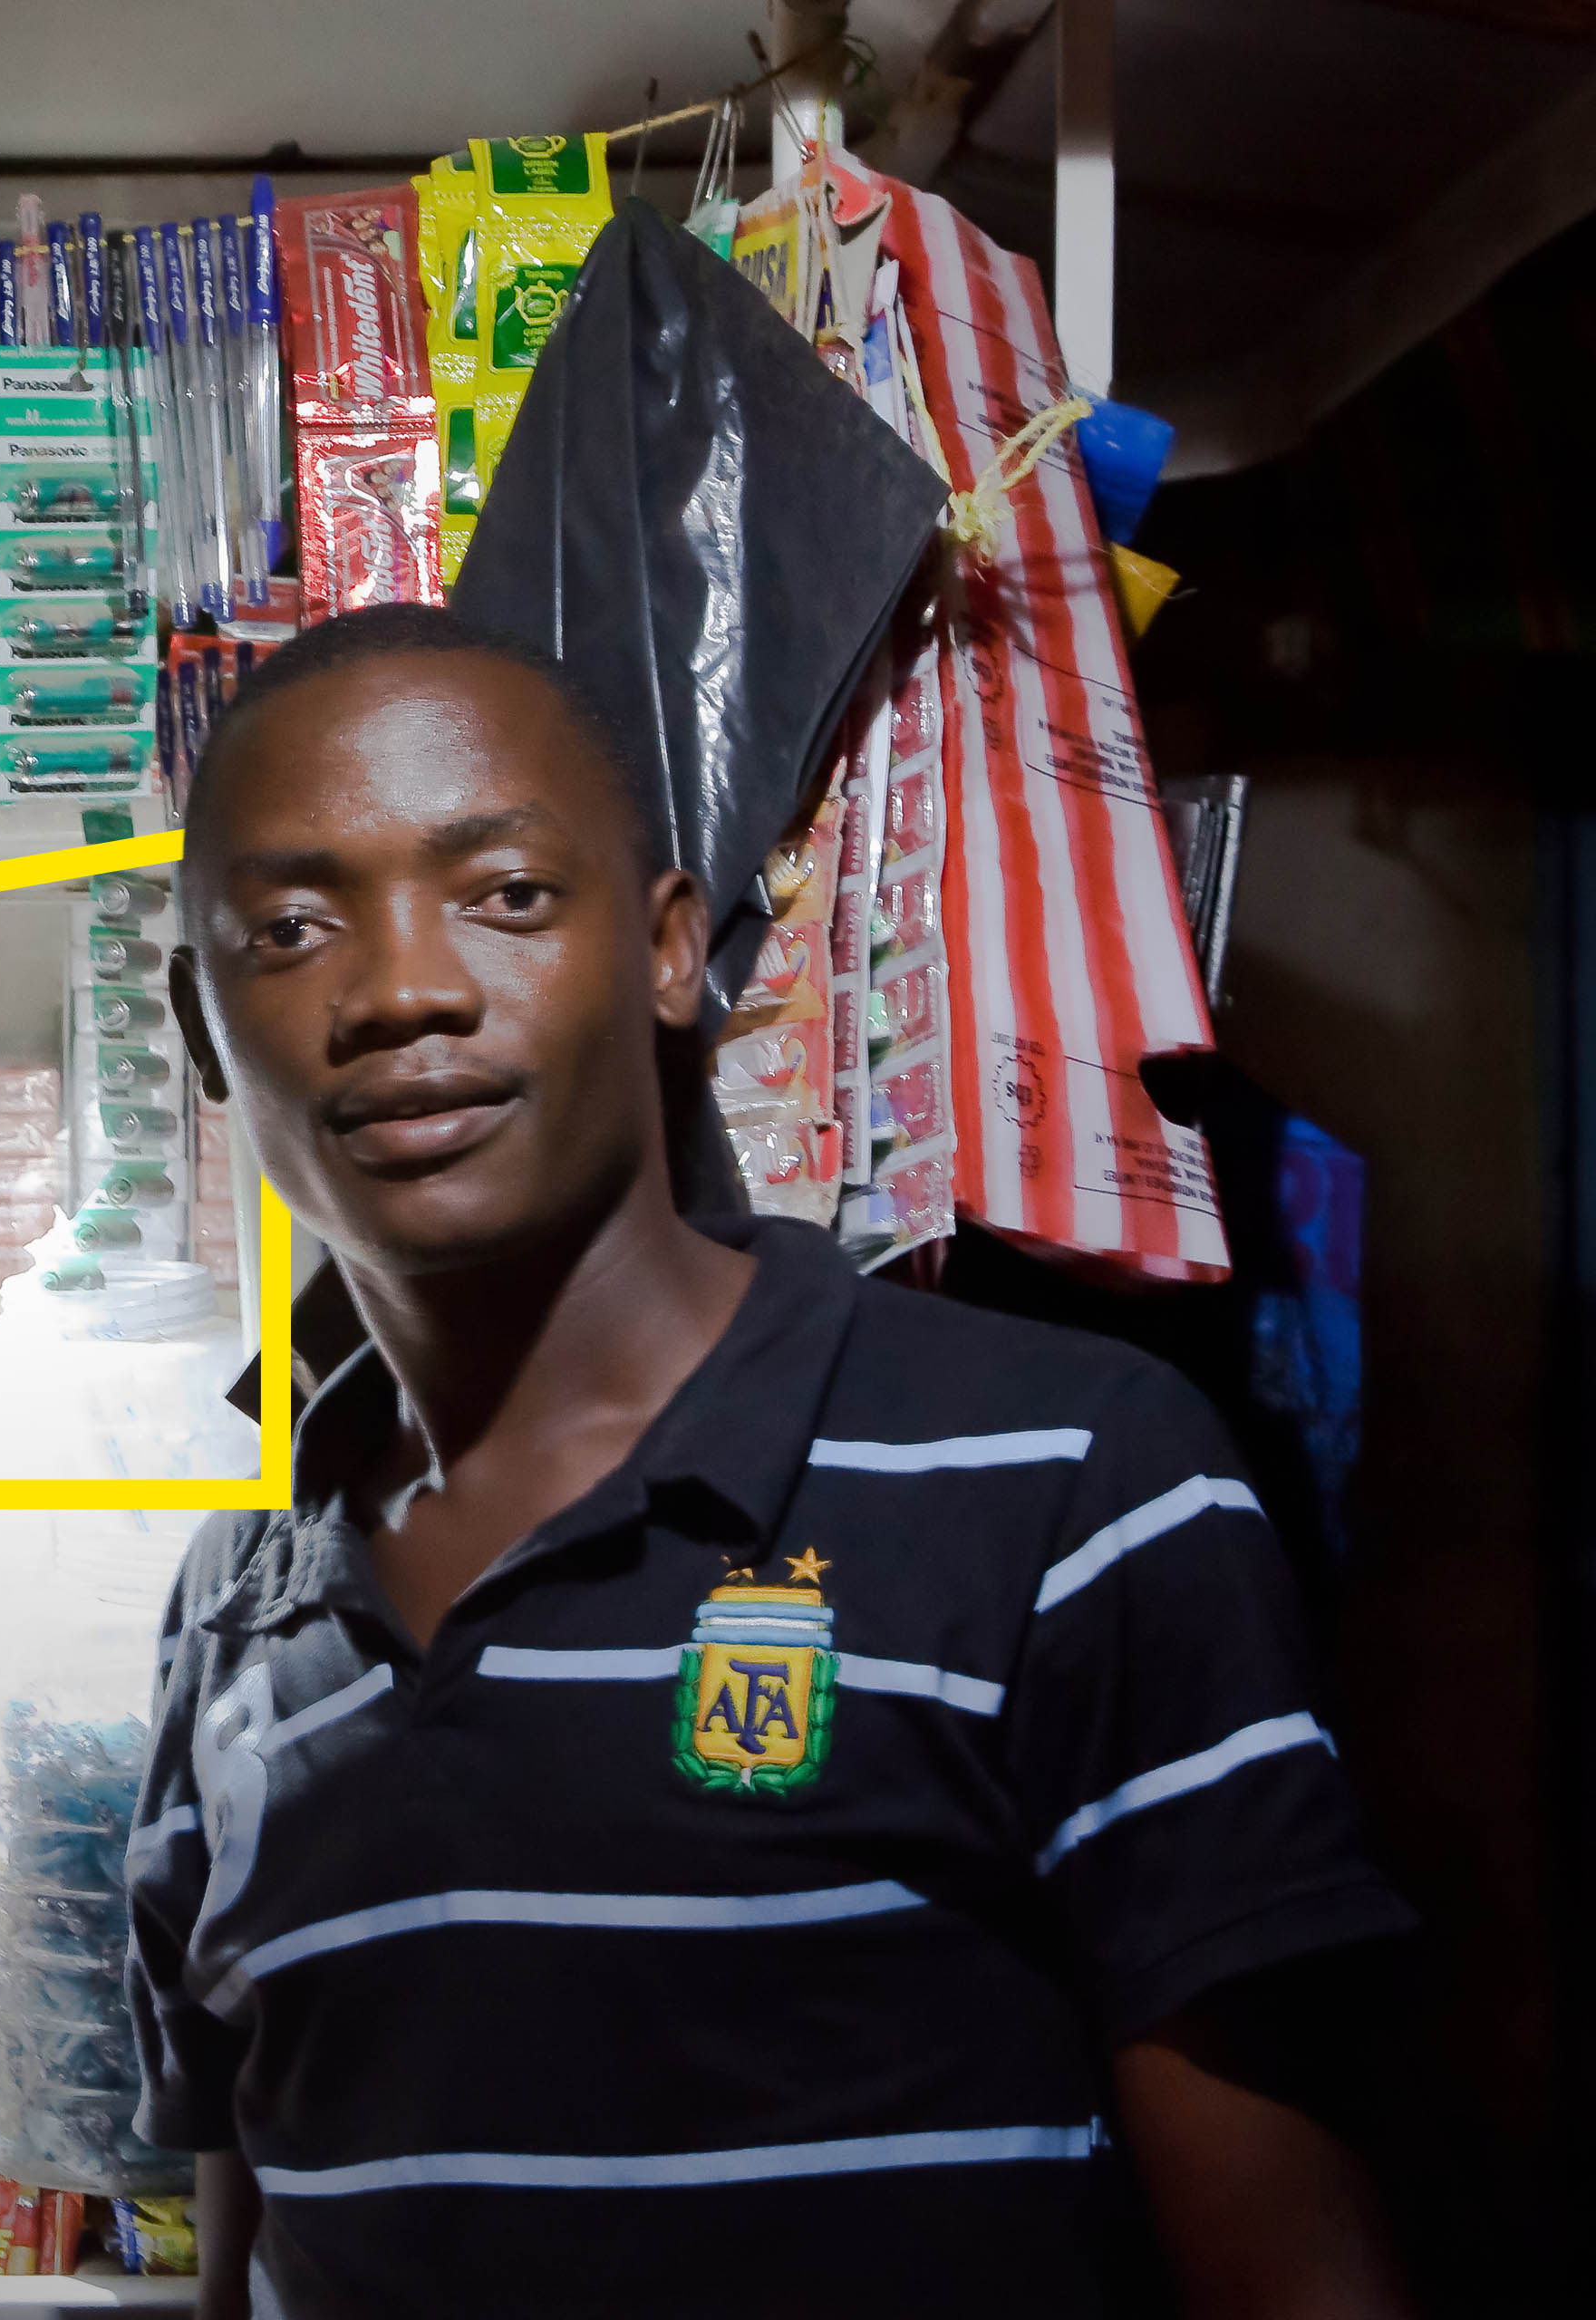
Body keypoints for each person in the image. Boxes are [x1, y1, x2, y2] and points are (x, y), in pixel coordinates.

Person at [130, 604, 1416, 2318]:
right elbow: (261, 2258)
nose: (404, 989)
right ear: (205, 1030)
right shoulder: (235, 1621)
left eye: (506, 895)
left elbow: (1294, 2274)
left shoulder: (1066, 1480)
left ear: (671, 951)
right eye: (289, 928)